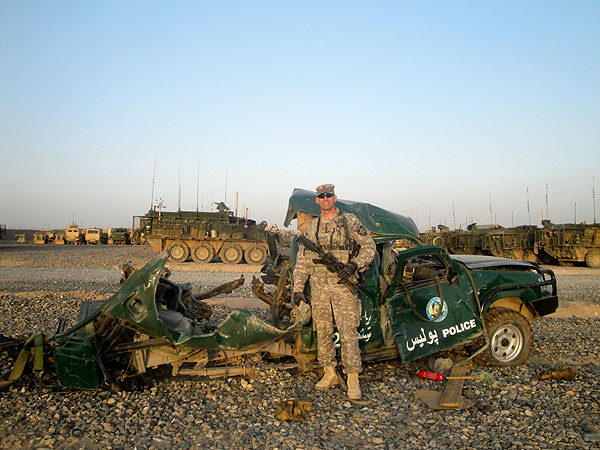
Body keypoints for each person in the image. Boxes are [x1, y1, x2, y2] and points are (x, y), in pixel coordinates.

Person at [292, 184, 376, 399]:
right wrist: (298, 288)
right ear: (317, 200)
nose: (326, 199)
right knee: (323, 331)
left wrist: (354, 265)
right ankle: (329, 372)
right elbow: (302, 260)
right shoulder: (313, 227)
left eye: (329, 195)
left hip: (342, 285)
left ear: (335, 198)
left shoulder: (349, 222)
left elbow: (369, 247)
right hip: (319, 287)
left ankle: (353, 377)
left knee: (348, 332)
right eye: (322, 196)